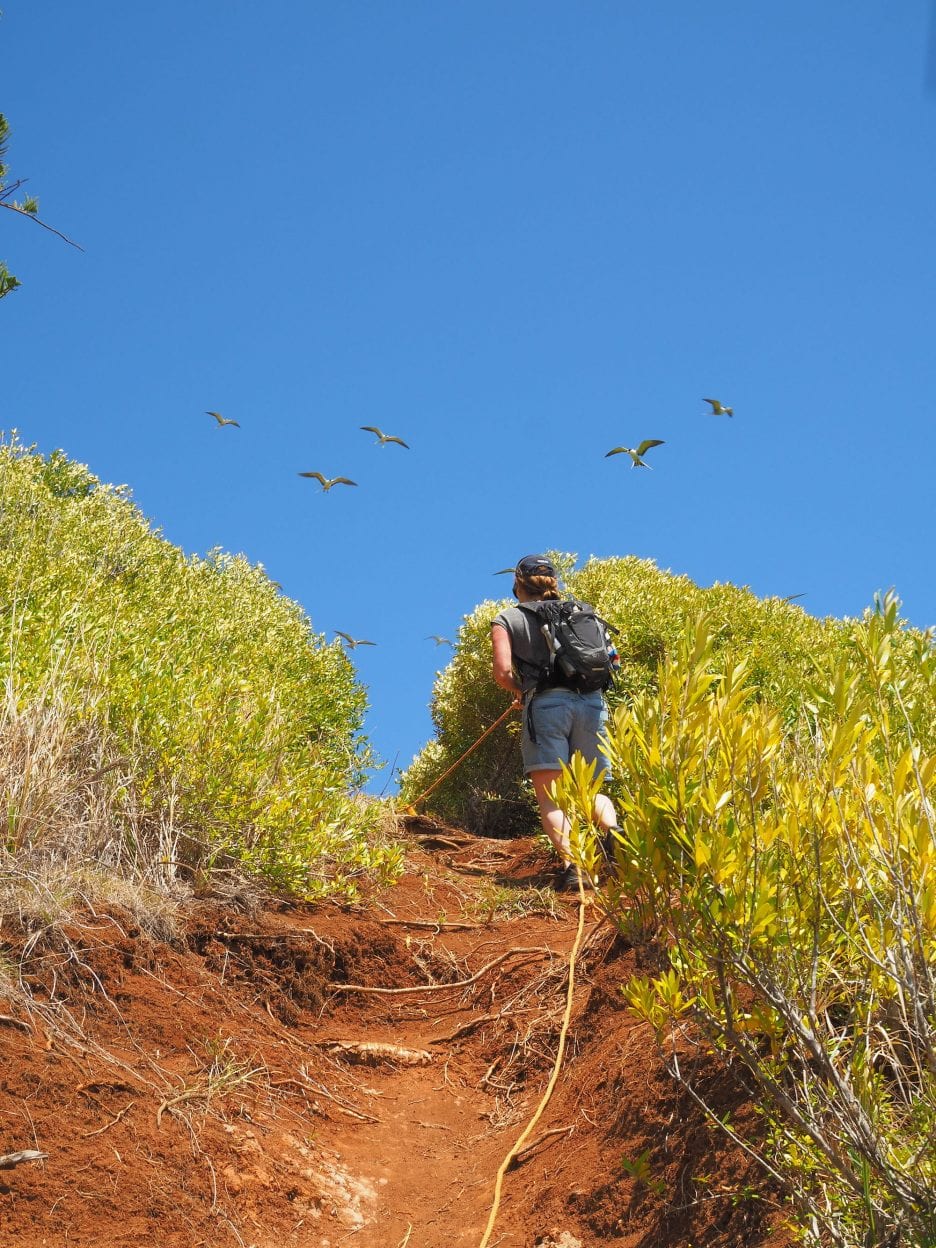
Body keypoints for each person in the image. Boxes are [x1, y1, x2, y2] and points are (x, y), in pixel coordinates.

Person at [490, 554, 619, 891]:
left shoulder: (508, 618)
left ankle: (576, 868)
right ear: (554, 582)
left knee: (551, 797)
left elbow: (503, 672)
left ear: (518, 583)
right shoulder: (581, 610)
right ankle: (612, 831)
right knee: (590, 788)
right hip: (592, 704)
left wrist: (520, 690)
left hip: (546, 706)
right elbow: (612, 659)